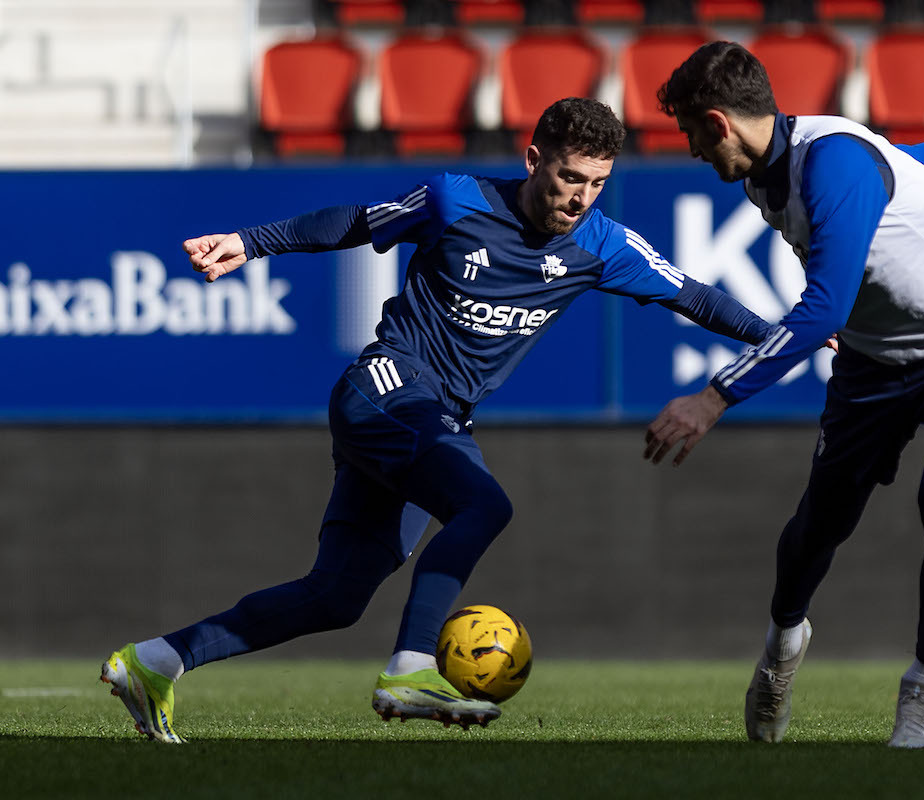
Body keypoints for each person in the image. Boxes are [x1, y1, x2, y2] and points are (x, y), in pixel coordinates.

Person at [100, 97, 772, 743]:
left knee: (334, 597)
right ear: (535, 158)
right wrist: (251, 243)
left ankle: (153, 663)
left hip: (434, 418)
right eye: (570, 176)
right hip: (385, 388)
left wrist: (785, 336)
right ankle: (412, 669)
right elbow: (355, 222)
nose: (581, 197)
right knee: (483, 504)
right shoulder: (458, 198)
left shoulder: (602, 245)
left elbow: (696, 297)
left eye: (597, 182)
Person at [643, 42, 924, 749]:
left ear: (717, 122)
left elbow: (824, 309)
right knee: (818, 527)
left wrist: (714, 397)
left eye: (688, 133)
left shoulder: (830, 163)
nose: (692, 151)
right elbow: (910, 164)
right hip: (875, 362)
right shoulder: (772, 172)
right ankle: (780, 649)